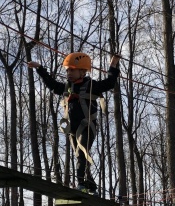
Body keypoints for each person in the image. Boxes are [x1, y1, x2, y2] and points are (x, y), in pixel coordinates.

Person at [28, 52, 120, 194]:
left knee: (81, 154)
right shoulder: (67, 88)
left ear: (82, 71)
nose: (69, 73)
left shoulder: (91, 85)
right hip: (72, 128)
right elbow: (51, 84)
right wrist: (39, 68)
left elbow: (109, 83)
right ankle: (91, 186)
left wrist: (113, 64)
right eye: (67, 70)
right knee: (80, 157)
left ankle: (81, 184)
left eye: (72, 70)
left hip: (87, 125)